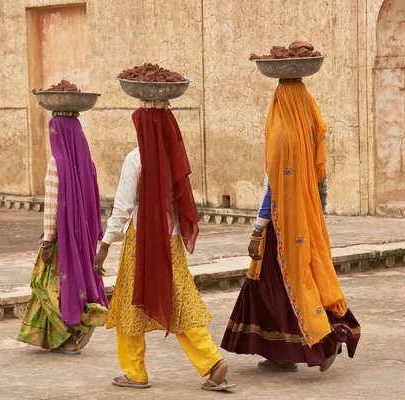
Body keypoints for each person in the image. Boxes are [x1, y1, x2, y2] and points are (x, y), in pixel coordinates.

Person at [94, 100, 236, 391]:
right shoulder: (175, 158)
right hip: (171, 243)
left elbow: (122, 208)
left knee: (130, 303)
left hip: (141, 242)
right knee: (181, 301)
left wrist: (106, 243)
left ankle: (135, 372)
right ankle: (212, 362)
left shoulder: (135, 158)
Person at [221, 78, 361, 371]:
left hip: (281, 228)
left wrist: (257, 230)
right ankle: (283, 353)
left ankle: (322, 341)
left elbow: (273, 187)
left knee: (275, 287)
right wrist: (314, 218)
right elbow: (320, 178)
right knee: (303, 281)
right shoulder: (311, 129)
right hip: (306, 221)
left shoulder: (282, 135)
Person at [17, 112, 108, 355]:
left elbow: (52, 205)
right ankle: (75, 330)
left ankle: (68, 336)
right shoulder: (87, 162)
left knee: (48, 285)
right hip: (83, 236)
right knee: (77, 282)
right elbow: (94, 199)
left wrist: (48, 240)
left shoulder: (56, 162)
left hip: (62, 238)